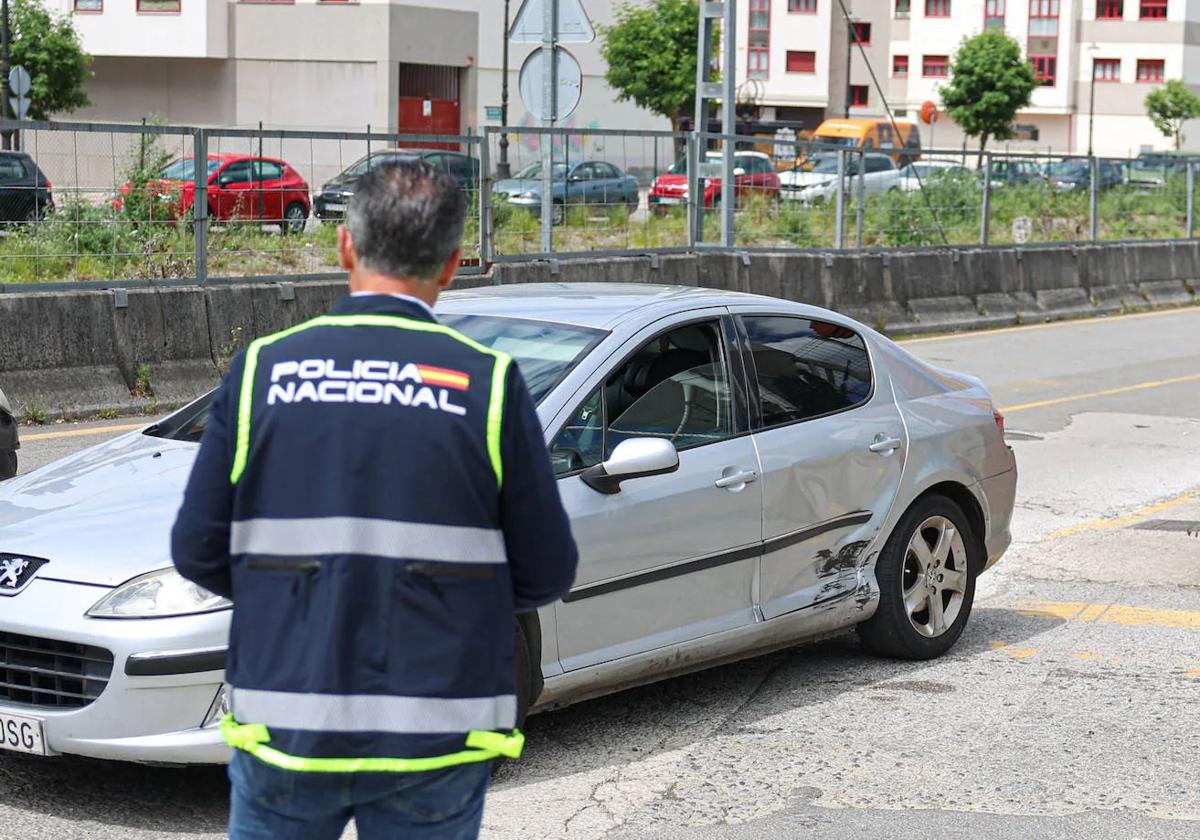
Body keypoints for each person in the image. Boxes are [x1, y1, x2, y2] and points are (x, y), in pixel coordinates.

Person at [171, 160, 579, 839]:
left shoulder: (263, 370)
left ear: (346, 247)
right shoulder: (489, 384)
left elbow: (197, 549)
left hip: (286, 716)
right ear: (451, 266)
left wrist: (290, 597)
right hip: (437, 728)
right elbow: (547, 571)